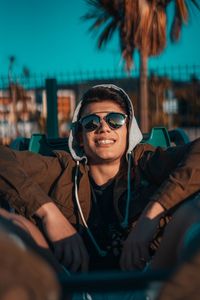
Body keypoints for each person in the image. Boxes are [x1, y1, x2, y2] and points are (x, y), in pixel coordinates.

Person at [0, 84, 199, 273]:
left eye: (115, 120)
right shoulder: (62, 169)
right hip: (69, 286)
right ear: (79, 137)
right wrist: (48, 213)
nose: (104, 128)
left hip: (150, 283)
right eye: (91, 123)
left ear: (129, 129)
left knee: (192, 214)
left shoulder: (147, 162)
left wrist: (152, 216)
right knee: (9, 221)